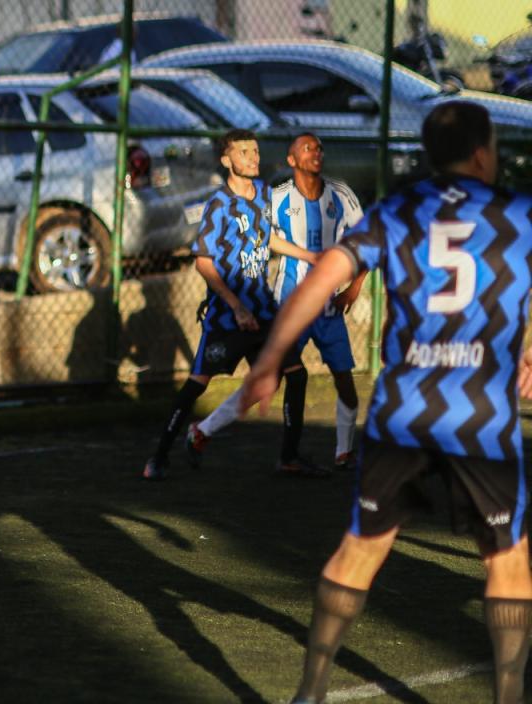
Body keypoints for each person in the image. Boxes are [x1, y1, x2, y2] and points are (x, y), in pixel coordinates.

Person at [240, 101, 532, 704]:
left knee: (360, 551)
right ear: (483, 153)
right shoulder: (518, 213)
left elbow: (322, 280)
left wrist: (269, 360)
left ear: (429, 156)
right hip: (481, 418)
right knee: (507, 560)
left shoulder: (395, 210)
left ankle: (311, 689)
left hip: (404, 412)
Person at [142, 129, 321, 481]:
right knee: (197, 383)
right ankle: (158, 458)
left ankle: (283, 457)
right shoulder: (218, 205)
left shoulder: (263, 195)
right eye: (243, 152)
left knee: (291, 377)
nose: (252, 158)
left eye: (254, 151)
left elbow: (265, 237)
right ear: (227, 160)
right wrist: (235, 306)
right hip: (229, 317)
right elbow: (203, 262)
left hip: (264, 311)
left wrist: (309, 255)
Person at [187, 133, 366, 473]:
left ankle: (342, 452)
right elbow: (249, 237)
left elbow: (367, 242)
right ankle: (204, 430)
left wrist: (355, 286)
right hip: (289, 306)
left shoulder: (341, 195)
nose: (316, 152)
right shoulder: (277, 198)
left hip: (328, 308)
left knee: (345, 379)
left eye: (319, 148)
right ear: (291, 160)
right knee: (270, 380)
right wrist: (223, 293)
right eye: (307, 148)